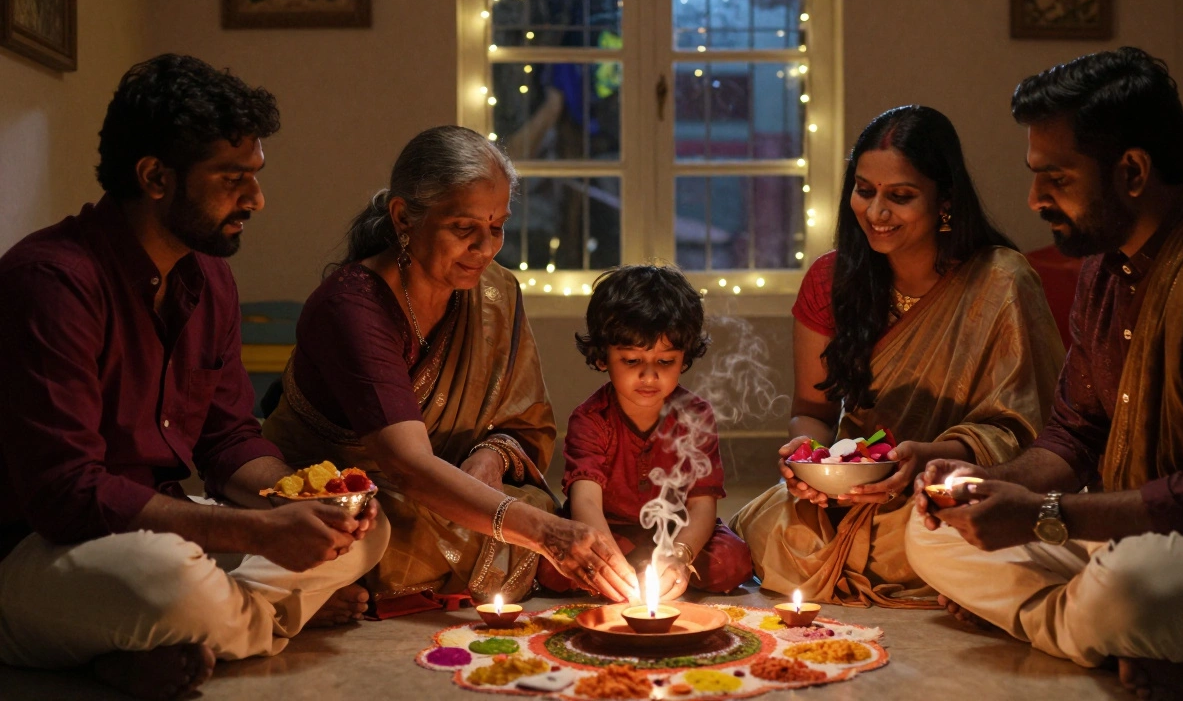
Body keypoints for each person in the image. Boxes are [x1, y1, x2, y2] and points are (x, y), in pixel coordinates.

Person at [0, 54, 388, 701]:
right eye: (233, 179)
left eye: (255, 176)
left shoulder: (209, 278)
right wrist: (256, 532)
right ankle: (255, 620)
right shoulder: (50, 283)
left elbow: (228, 440)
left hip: (153, 533)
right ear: (155, 177)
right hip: (37, 548)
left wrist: (299, 503)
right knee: (169, 579)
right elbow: (67, 495)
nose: (256, 199)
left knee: (365, 531)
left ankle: (146, 643)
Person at [904, 47, 1183, 699]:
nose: (1034, 199)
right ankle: (1138, 642)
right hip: (1137, 534)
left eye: (1056, 178)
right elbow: (1076, 434)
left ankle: (1117, 628)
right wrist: (990, 485)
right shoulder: (1106, 268)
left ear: (1132, 171)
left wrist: (1046, 516)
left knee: (1132, 588)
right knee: (927, 534)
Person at [262, 126, 637, 614]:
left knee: (530, 505)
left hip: (442, 485)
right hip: (350, 493)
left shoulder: (495, 292)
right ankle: (304, 579)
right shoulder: (352, 307)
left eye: (497, 226)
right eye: (464, 228)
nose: (486, 248)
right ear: (404, 217)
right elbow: (408, 467)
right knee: (376, 526)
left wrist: (491, 457)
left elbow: (524, 424)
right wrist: (545, 533)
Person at [730, 106, 1064, 608]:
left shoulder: (1001, 281)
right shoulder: (831, 279)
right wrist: (810, 462)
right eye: (864, 191)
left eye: (901, 197)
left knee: (931, 535)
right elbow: (813, 412)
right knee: (771, 528)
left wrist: (928, 457)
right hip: (852, 488)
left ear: (945, 200)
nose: (876, 213)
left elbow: (1029, 429)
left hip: (948, 486)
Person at [535, 265, 754, 599]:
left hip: (676, 531)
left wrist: (680, 556)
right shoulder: (591, 419)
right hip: (607, 530)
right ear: (603, 357)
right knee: (550, 568)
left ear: (684, 358)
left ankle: (655, 570)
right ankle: (633, 570)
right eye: (632, 361)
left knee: (731, 562)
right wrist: (608, 562)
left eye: (665, 362)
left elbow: (702, 506)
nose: (649, 377)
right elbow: (586, 502)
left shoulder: (694, 416)